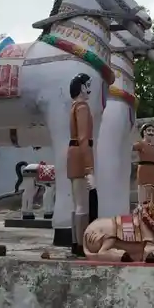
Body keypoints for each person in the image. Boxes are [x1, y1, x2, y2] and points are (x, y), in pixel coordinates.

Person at [67, 73, 95, 257]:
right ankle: (81, 245)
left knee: (77, 203)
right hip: (81, 153)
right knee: (82, 204)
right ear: (82, 87)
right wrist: (89, 169)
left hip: (73, 152)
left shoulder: (73, 106)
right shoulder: (82, 107)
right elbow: (84, 138)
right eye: (88, 85)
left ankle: (75, 242)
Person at [133, 123, 154, 205]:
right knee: (142, 196)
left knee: (152, 197)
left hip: (153, 171)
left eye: (153, 130)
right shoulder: (140, 144)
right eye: (149, 130)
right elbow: (131, 147)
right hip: (143, 170)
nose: (151, 132)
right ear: (144, 132)